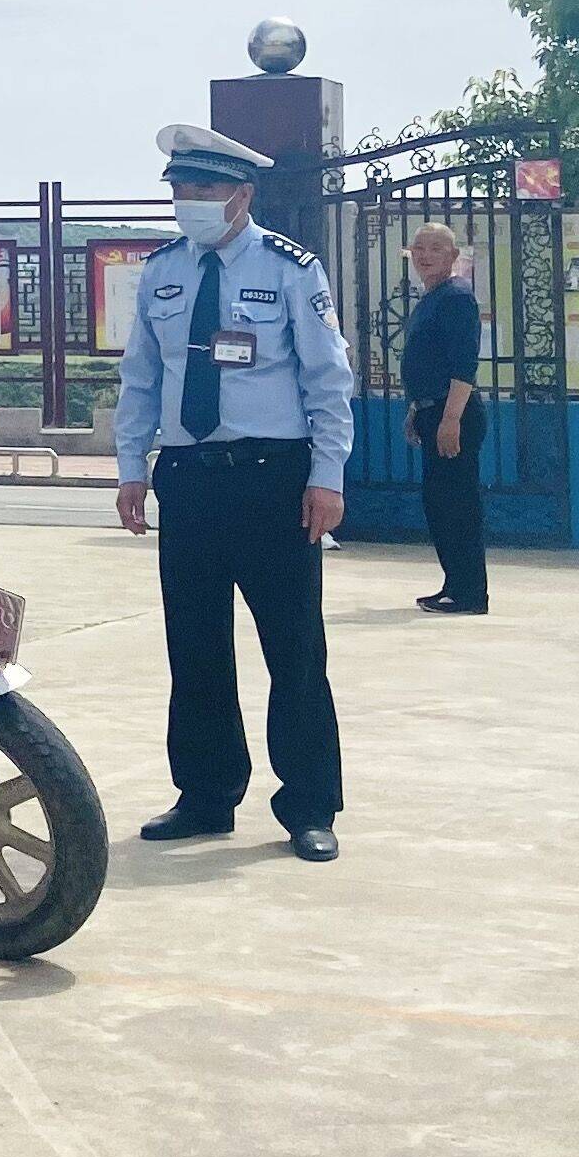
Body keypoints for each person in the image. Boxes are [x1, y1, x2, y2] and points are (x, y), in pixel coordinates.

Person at [113, 124, 356, 863]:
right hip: (189, 481)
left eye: (204, 190)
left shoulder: (290, 268)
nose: (189, 203)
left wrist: (327, 475)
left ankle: (310, 806)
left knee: (294, 649)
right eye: (180, 191)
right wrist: (132, 466)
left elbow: (328, 378)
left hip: (272, 478)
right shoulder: (161, 272)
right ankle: (206, 794)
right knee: (195, 647)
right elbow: (142, 377)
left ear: (241, 194)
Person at [402, 222, 487, 614]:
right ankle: (454, 584)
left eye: (436, 248)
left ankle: (470, 594)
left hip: (454, 414)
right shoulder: (432, 298)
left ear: (453, 257)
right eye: (419, 248)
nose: (425, 255)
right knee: (440, 506)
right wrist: (416, 409)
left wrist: (450, 419)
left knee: (458, 506)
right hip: (432, 409)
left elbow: (462, 365)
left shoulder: (456, 297)